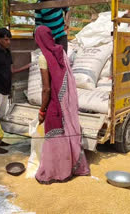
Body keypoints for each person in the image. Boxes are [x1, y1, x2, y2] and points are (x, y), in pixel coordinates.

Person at [34, 26, 90, 184]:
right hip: (66, 100)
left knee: (53, 131)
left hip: (55, 101)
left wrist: (42, 111)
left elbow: (46, 88)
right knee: (66, 132)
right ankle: (69, 168)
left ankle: (55, 172)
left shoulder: (43, 57)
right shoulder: (61, 51)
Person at [0, 28, 30, 153]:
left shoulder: (7, 53)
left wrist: (27, 67)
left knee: (0, 117)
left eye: (9, 39)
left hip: (5, 90)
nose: (8, 41)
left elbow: (11, 71)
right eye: (5, 39)